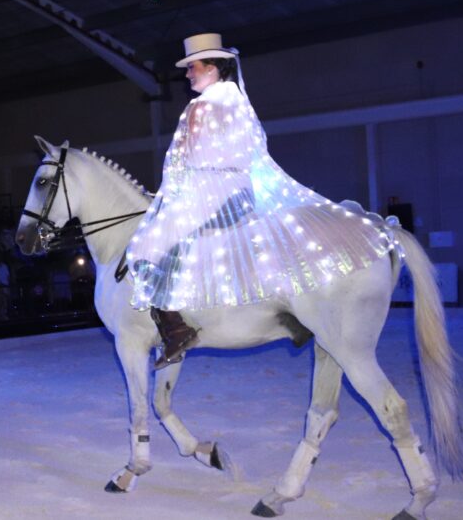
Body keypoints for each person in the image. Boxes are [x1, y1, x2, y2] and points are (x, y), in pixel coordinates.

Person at [128, 34, 392, 368]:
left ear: (212, 67)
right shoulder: (238, 101)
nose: (188, 75)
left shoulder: (201, 106)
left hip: (210, 193)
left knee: (156, 245)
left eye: (192, 67)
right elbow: (251, 151)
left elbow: (188, 159)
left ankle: (176, 329)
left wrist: (169, 195)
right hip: (242, 193)